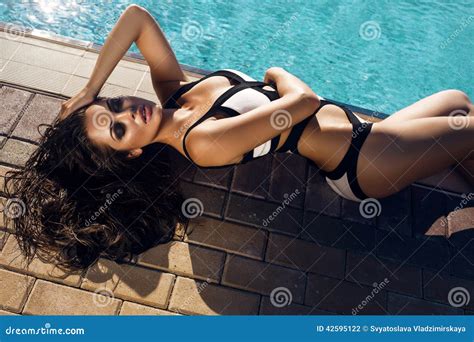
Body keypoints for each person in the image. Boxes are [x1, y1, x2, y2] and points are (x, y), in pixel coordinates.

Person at [4, 5, 473, 271]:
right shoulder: (204, 142)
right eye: (120, 129)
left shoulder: (173, 92)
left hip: (368, 135)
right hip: (365, 161)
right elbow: (303, 101)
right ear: (134, 152)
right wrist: (276, 72)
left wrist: (89, 89)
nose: (126, 111)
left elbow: (136, 18)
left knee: (457, 101)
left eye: (112, 108)